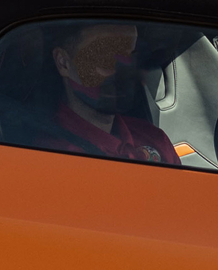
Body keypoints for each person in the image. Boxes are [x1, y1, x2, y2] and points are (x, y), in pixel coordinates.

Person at [36, 21, 184, 165]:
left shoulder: (155, 139)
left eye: (131, 57)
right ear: (63, 63)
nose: (124, 74)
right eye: (106, 58)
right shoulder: (45, 155)